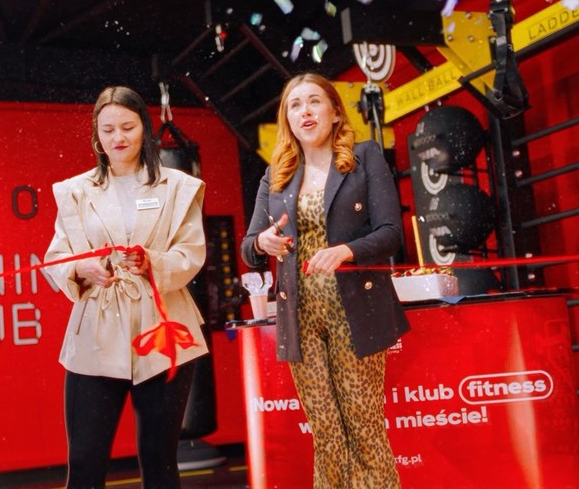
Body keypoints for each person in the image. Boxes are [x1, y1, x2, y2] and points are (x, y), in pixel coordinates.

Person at [241, 73, 409, 488]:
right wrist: (262, 242)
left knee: (364, 425)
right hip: (300, 317)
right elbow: (248, 247)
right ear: (287, 119)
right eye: (295, 105)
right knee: (327, 433)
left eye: (314, 101)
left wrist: (347, 250)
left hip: (355, 309)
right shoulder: (275, 175)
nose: (305, 112)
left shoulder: (364, 157)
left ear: (335, 112)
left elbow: (391, 233)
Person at [44, 85, 209, 489]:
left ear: (145, 130)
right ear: (97, 136)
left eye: (128, 127)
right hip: (96, 331)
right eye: (108, 130)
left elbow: (190, 253)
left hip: (162, 328)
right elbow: (57, 257)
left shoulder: (178, 186)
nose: (118, 137)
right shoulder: (75, 191)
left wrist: (154, 262)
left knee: (159, 460)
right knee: (84, 461)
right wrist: (83, 268)